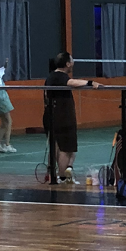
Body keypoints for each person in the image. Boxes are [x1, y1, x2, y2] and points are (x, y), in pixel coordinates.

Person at [44, 52, 102, 183]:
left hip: (53, 116)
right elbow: (72, 82)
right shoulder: (60, 76)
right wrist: (91, 82)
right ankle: (62, 177)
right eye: (72, 60)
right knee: (66, 149)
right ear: (67, 64)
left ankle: (55, 173)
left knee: (56, 146)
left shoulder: (51, 77)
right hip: (62, 117)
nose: (73, 63)